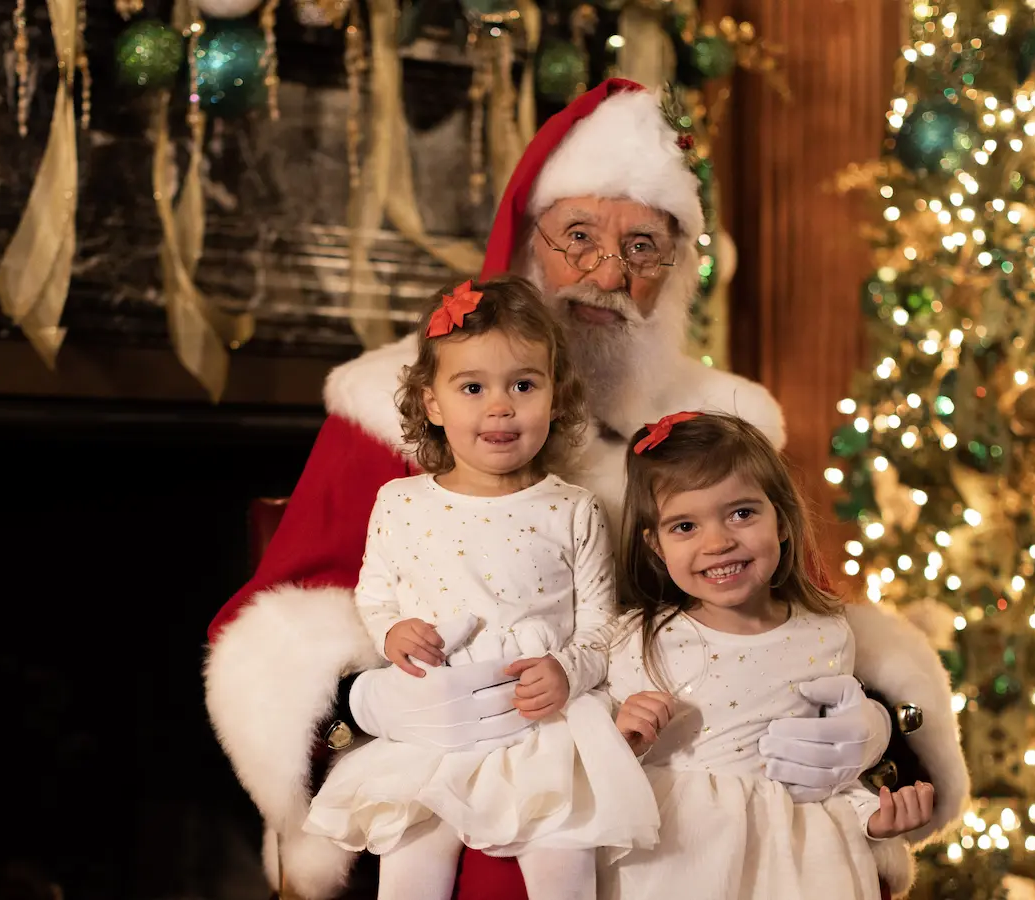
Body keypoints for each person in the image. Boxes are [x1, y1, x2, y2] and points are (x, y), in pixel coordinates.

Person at [203, 78, 968, 900]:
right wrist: (371, 703)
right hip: (475, 814)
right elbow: (275, 628)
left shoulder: (721, 425)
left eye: (644, 246)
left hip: (700, 819)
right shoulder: (395, 407)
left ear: (675, 270)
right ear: (529, 245)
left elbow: (808, 617)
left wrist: (887, 730)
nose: (607, 271)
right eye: (578, 236)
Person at [301, 276, 658, 900]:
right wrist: (392, 632)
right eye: (472, 387)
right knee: (410, 867)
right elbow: (375, 592)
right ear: (432, 402)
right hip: (437, 718)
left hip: (544, 723)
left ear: (556, 396)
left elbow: (606, 624)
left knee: (565, 863)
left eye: (524, 385)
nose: (500, 406)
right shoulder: (401, 502)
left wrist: (567, 671)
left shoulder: (573, 509)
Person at [603, 411, 935, 900]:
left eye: (741, 513)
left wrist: (874, 817)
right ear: (655, 545)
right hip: (678, 860)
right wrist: (621, 736)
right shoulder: (637, 638)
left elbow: (831, 770)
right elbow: (596, 764)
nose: (717, 542)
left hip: (796, 863)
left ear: (781, 519)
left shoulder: (824, 635)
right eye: (685, 526)